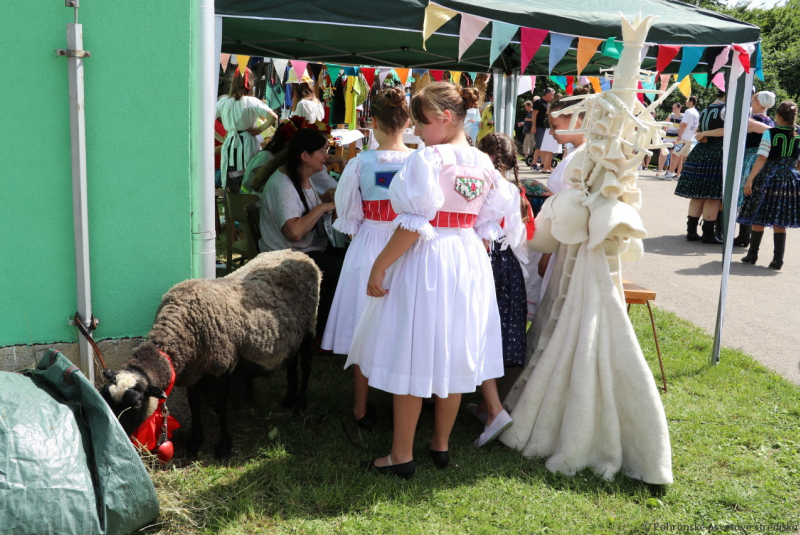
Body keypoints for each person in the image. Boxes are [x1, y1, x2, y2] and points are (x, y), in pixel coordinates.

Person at [347, 82, 508, 479]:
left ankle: (401, 454)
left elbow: (414, 225)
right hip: (467, 258)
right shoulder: (484, 163)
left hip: (429, 257)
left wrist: (380, 265)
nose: (416, 131)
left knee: (413, 348)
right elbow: (491, 220)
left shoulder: (428, 160)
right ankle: (440, 444)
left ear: (445, 118)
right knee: (452, 349)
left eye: (420, 123)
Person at [320, 87, 413, 429]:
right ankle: (406, 397)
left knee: (363, 321)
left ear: (372, 122)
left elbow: (348, 218)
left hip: (369, 242)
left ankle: (361, 408)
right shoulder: (420, 162)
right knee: (405, 320)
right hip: (407, 245)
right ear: (408, 121)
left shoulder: (360, 164)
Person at [467, 133, 533, 438]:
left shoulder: (485, 184)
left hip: (487, 263)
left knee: (480, 334)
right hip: (508, 266)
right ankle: (486, 405)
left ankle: (493, 410)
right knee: (497, 335)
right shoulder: (513, 189)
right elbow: (518, 238)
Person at [258, 128, 343, 334]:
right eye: (322, 151)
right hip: (288, 255)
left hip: (306, 249)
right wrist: (323, 207)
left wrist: (324, 199)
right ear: (305, 156)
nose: (326, 157)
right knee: (342, 269)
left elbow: (302, 208)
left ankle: (335, 328)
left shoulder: (302, 177)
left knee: (353, 258)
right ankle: (321, 334)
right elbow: (294, 232)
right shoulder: (284, 185)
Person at [694, 91, 775, 246]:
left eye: (753, 99)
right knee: (747, 198)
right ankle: (741, 235)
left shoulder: (753, 120)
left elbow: (744, 126)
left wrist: (704, 132)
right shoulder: (769, 120)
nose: (751, 101)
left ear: (757, 102)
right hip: (759, 161)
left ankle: (724, 233)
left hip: (748, 159)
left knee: (733, 196)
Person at [738, 100, 800, 270]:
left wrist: (750, 179)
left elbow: (762, 157)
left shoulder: (770, 133)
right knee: (780, 219)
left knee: (759, 213)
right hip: (789, 178)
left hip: (769, 176)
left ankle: (752, 254)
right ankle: (778, 259)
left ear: (778, 116)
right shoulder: (798, 133)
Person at [216, 66, 278, 192]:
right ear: (250, 83)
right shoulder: (252, 101)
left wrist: (221, 138)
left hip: (230, 144)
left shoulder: (223, 101)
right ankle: (244, 203)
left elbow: (205, 119)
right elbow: (273, 116)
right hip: (247, 143)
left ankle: (231, 205)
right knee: (248, 174)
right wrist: (260, 129)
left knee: (230, 176)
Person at [674, 92, 725, 243]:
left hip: (701, 152)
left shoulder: (706, 109)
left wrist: (702, 134)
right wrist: (704, 133)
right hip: (717, 152)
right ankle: (708, 234)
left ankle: (691, 232)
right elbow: (725, 130)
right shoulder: (726, 109)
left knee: (698, 195)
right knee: (712, 196)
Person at [665, 95, 700, 180]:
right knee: (685, 157)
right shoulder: (696, 113)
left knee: (675, 155)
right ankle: (687, 175)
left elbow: (684, 124)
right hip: (691, 137)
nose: (685, 103)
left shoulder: (688, 111)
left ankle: (669, 174)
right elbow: (696, 127)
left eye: (687, 101)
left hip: (684, 137)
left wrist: (679, 135)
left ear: (691, 102)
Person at [656, 102, 683, 179]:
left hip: (676, 137)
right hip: (668, 136)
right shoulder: (671, 115)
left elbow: (683, 126)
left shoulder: (683, 116)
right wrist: (666, 129)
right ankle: (660, 170)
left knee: (673, 154)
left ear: (679, 108)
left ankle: (670, 171)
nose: (673, 109)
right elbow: (665, 123)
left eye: (674, 108)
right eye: (672, 108)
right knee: (662, 153)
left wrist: (679, 130)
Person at [531, 88, 555, 171]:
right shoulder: (538, 102)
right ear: (547, 94)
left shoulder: (548, 104)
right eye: (552, 95)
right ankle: (534, 163)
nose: (552, 97)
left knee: (545, 146)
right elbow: (534, 114)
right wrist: (533, 126)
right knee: (539, 146)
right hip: (539, 126)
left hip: (546, 127)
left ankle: (543, 164)